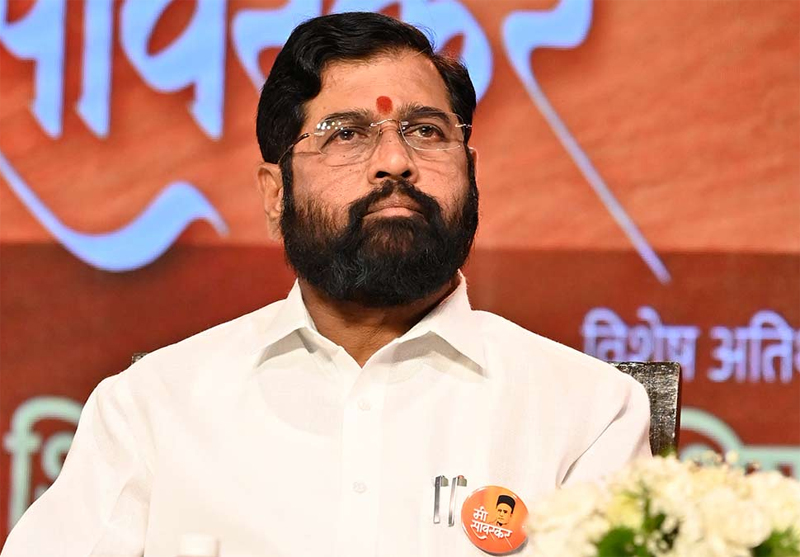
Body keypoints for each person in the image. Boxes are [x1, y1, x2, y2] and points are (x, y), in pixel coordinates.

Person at [1, 12, 651, 557]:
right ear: (275, 194)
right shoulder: (153, 407)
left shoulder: (587, 413)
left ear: (470, 169)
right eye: (346, 134)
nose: (395, 161)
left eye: (426, 131)